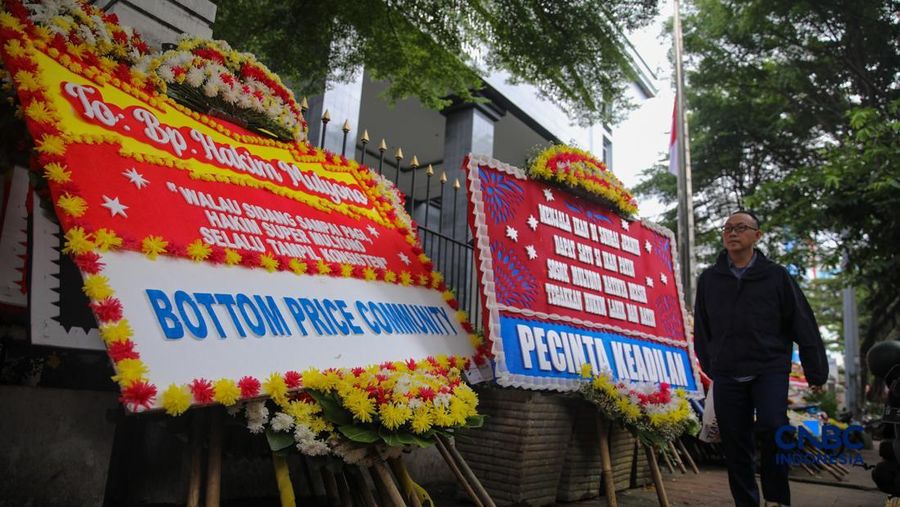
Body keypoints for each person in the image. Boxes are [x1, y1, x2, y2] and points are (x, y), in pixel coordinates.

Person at [693, 210, 828, 507]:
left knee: (773, 426)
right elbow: (702, 328)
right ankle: (746, 502)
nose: (732, 232)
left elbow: (803, 323)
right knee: (734, 442)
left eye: (741, 227)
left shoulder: (777, 276)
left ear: (758, 235)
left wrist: (816, 372)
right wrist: (711, 362)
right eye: (727, 227)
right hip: (728, 371)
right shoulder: (710, 279)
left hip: (768, 368)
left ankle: (777, 498)